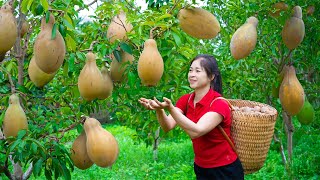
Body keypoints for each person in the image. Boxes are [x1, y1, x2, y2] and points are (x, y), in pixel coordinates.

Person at [138, 54, 244, 180]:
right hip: (201, 167)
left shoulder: (218, 103)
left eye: (198, 71)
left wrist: (170, 108)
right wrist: (159, 110)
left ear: (211, 76)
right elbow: (167, 126)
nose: (192, 75)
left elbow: (196, 131)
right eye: (190, 70)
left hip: (225, 169)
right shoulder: (186, 100)